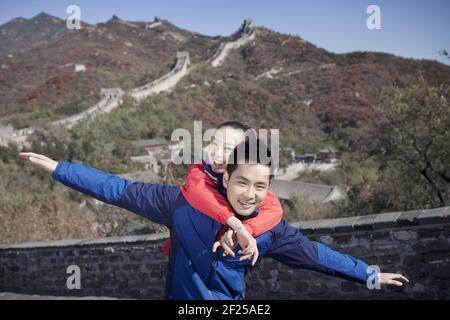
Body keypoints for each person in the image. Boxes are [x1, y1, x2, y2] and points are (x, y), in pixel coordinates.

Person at [19, 138, 409, 300]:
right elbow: (117, 189)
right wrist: (58, 167)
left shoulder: (271, 227)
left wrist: (369, 274)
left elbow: (317, 256)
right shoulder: (181, 205)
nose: (250, 194)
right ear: (225, 177)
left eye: (260, 186)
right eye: (242, 182)